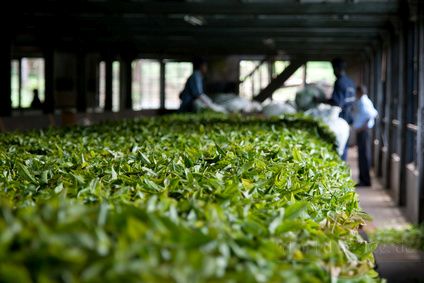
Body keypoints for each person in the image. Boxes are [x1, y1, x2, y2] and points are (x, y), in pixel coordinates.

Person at [316, 58, 356, 160]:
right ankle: (343, 168)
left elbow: (336, 102)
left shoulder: (339, 82)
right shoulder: (350, 82)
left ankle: (340, 165)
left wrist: (321, 100)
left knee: (338, 147)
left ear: (336, 69)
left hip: (340, 119)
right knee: (344, 145)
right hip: (349, 117)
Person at [352, 85, 378, 187]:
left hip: (364, 132)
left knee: (364, 156)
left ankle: (365, 180)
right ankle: (363, 179)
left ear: (359, 92)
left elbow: (372, 115)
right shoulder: (363, 101)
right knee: (362, 156)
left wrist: (362, 127)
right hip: (362, 132)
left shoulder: (363, 102)